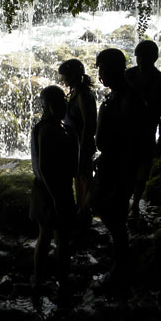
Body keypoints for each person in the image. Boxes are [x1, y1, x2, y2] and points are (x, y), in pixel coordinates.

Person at [88, 48, 147, 294]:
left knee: (115, 219)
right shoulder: (120, 96)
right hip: (111, 165)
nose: (100, 75)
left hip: (119, 169)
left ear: (113, 69)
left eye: (102, 69)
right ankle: (120, 265)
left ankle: (120, 271)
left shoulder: (128, 99)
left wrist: (123, 181)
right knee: (110, 216)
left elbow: (132, 146)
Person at [29, 85, 79, 295]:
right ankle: (52, 280)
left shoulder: (53, 127)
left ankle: (44, 279)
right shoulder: (48, 130)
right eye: (61, 103)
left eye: (65, 102)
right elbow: (45, 168)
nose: (65, 106)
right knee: (56, 236)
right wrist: (58, 198)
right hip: (52, 190)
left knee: (51, 236)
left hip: (50, 189)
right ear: (50, 106)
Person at [125, 40, 161, 220]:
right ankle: (128, 201)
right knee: (129, 169)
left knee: (142, 171)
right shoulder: (128, 75)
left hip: (146, 132)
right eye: (138, 57)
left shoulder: (159, 81)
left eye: (143, 57)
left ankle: (135, 203)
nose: (140, 60)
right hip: (128, 132)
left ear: (153, 58)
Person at [58, 58, 97, 214]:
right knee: (78, 176)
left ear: (73, 75)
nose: (62, 79)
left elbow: (89, 123)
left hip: (82, 144)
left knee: (84, 177)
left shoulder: (83, 95)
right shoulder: (75, 92)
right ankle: (81, 208)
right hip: (75, 144)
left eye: (64, 75)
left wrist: (83, 145)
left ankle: (85, 210)